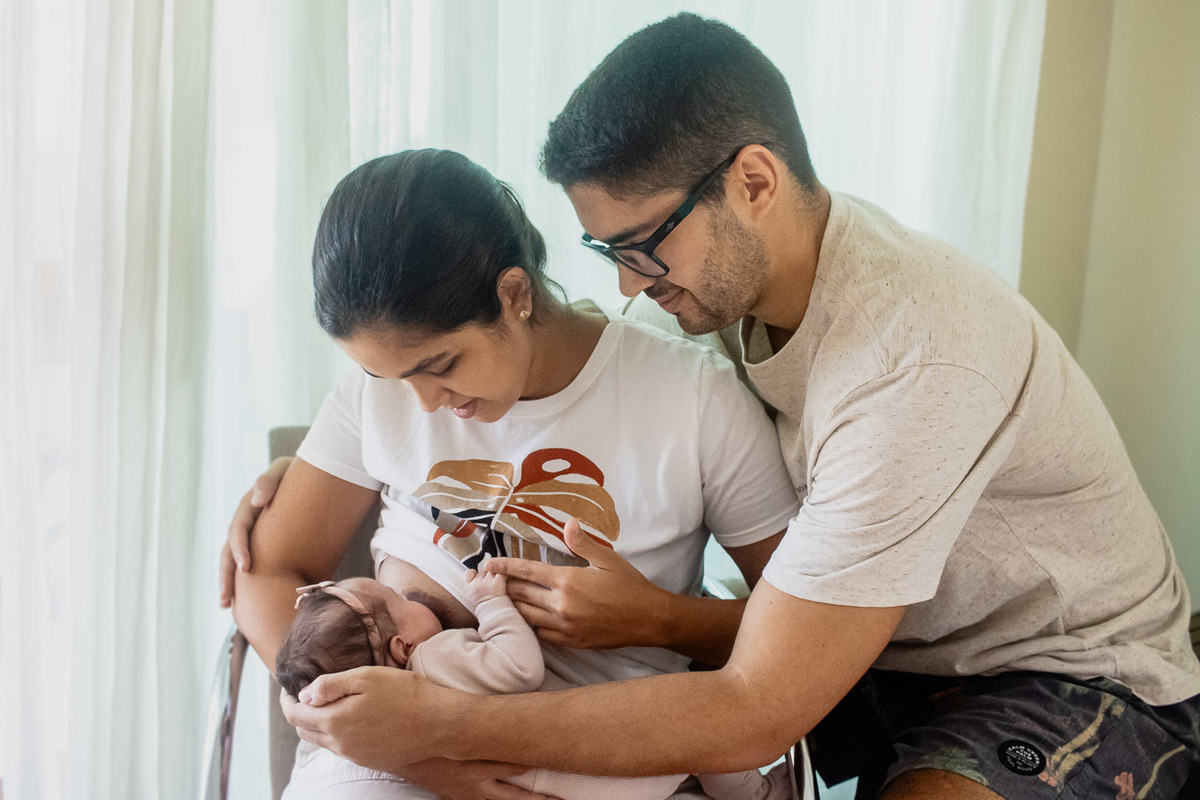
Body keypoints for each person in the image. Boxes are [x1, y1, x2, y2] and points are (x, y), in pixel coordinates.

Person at [240, 12, 1200, 800]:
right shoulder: (734, 296)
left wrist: (439, 732)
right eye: (604, 252)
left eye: (641, 247)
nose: (624, 290)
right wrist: (321, 476)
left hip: (1057, 673)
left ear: (754, 182)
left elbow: (757, 702)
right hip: (870, 659)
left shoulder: (914, 361)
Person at [224, 146, 801, 799]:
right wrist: (331, 706)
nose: (422, 403)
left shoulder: (694, 399)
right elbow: (266, 570)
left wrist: (662, 619)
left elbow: (797, 641)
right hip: (392, 751)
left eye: (441, 365)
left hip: (604, 754)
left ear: (514, 294)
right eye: (387, 376)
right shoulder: (377, 393)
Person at [275, 565, 789, 800]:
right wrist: (492, 605)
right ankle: (760, 793)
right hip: (602, 773)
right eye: (400, 602)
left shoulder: (378, 719)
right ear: (400, 651)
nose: (411, 595)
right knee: (700, 743)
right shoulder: (436, 658)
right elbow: (520, 668)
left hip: (553, 776)